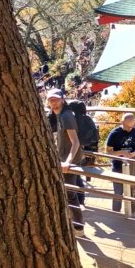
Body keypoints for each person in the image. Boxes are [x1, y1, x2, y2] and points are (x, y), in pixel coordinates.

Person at [46, 89, 85, 235]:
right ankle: (74, 220)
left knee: (70, 194)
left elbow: (75, 141)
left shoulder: (67, 116)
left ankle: (78, 228)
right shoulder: (56, 115)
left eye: (56, 99)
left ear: (62, 99)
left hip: (70, 160)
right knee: (74, 189)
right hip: (65, 158)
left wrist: (68, 161)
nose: (53, 102)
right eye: (51, 100)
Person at [105, 113, 135, 215]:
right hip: (117, 166)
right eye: (128, 126)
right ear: (122, 122)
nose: (130, 129)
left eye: (132, 126)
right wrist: (121, 153)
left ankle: (132, 212)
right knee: (118, 192)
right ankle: (116, 213)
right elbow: (108, 151)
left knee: (132, 191)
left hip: (132, 165)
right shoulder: (114, 133)